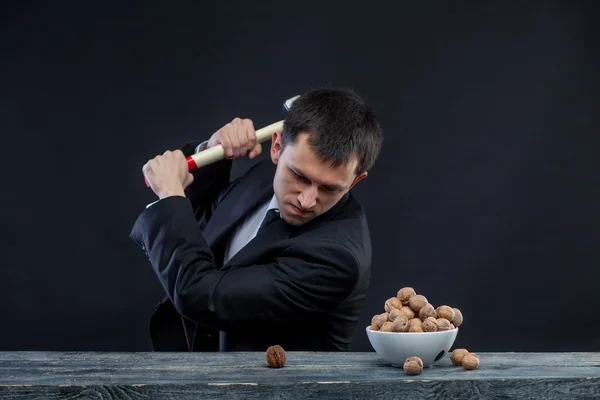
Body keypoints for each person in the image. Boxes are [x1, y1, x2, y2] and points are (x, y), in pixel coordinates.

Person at [130, 87, 383, 352]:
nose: (306, 200)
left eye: (330, 188)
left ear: (355, 181)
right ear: (276, 148)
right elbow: (198, 222)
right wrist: (211, 151)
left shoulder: (337, 259)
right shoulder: (265, 177)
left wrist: (170, 194)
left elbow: (203, 295)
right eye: (299, 176)